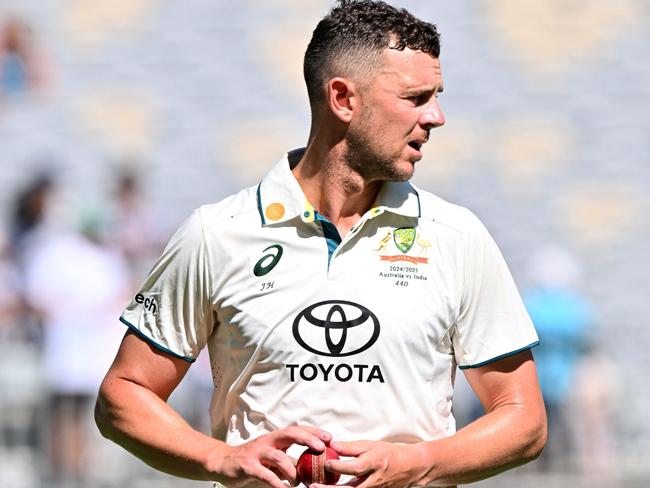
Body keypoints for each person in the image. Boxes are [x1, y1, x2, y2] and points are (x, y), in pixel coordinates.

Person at [95, 2, 547, 487]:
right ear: (342, 99)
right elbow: (123, 393)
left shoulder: (456, 236)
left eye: (436, 96)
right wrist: (220, 458)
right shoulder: (217, 233)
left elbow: (524, 421)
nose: (436, 117)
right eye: (416, 98)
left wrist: (415, 464)